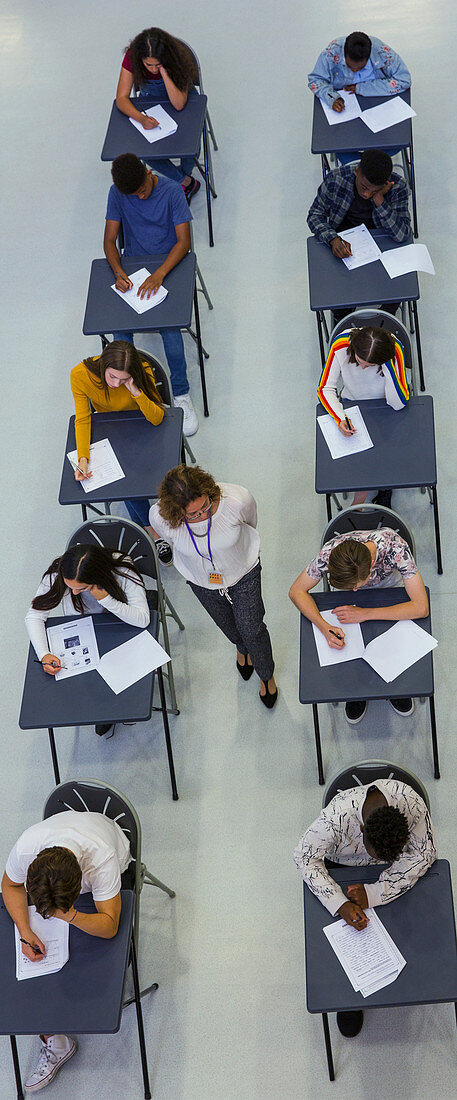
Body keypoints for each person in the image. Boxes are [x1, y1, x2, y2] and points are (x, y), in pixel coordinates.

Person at [294, 777, 436, 1036]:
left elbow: (423, 855)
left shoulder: (410, 802)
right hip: (342, 871)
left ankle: (400, 985)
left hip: (392, 870)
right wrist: (340, 904)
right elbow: (303, 857)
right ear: (360, 828)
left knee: (409, 932)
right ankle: (350, 1001)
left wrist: (376, 892)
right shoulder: (336, 818)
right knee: (348, 943)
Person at [2, 809, 132, 1091]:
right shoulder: (26, 847)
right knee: (28, 965)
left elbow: (109, 925)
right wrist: (26, 930)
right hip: (63, 892)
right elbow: (10, 885)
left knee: (91, 957)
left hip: (102, 869)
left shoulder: (101, 860)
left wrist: (70, 915)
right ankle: (55, 1039)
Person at [150, 465, 278, 707]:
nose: (202, 515)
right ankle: (241, 649)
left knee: (252, 629)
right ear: (177, 512)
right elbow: (171, 541)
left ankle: (266, 675)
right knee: (228, 626)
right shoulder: (160, 516)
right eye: (193, 514)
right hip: (201, 581)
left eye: (205, 506)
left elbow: (251, 523)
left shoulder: (237, 500)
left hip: (244, 573)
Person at [289, 526, 428, 723]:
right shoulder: (331, 552)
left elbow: (421, 607)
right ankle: (357, 692)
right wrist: (323, 626)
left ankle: (395, 690)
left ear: (371, 565)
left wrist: (366, 614)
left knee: (392, 645)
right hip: (347, 603)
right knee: (348, 647)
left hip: (389, 592)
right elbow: (296, 591)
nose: (354, 590)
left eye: (356, 585)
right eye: (350, 586)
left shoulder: (395, 547)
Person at [104, 152, 198, 436]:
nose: (141, 198)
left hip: (169, 264)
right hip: (133, 269)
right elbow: (109, 240)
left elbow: (184, 242)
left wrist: (160, 274)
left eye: (143, 191)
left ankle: (180, 393)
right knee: (120, 336)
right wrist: (118, 271)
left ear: (147, 172)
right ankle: (136, 393)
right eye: (135, 195)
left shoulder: (172, 192)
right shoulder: (117, 192)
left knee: (171, 332)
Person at [25, 545, 150, 735]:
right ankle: (105, 712)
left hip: (120, 626)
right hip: (84, 632)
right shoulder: (56, 575)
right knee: (89, 680)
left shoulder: (122, 570)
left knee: (124, 675)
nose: (74, 593)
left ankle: (119, 707)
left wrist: (107, 599)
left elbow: (142, 620)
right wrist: (44, 653)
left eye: (82, 588)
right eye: (70, 587)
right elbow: (34, 616)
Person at [70, 340, 173, 564]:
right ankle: (152, 530)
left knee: (149, 476)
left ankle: (152, 527)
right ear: (103, 366)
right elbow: (83, 418)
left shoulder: (143, 371)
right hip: (112, 433)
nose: (117, 384)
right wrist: (83, 458)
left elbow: (156, 417)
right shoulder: (80, 374)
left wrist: (135, 390)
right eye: (112, 377)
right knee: (126, 480)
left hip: (143, 428)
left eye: (123, 378)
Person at [307, 149, 410, 322]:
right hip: (344, 240)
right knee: (339, 300)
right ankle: (346, 324)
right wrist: (332, 238)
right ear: (356, 172)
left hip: (381, 242)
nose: (366, 194)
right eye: (364, 187)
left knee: (396, 292)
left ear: (385, 183)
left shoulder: (397, 186)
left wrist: (379, 200)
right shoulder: (336, 179)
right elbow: (314, 215)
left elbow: (402, 234)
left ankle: (380, 327)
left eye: (374, 190)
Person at [318, 325, 409, 506]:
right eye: (360, 360)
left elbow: (398, 403)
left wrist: (388, 365)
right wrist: (340, 418)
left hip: (384, 406)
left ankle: (367, 499)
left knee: (385, 450)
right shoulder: (341, 344)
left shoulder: (395, 350)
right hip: (352, 403)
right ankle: (360, 502)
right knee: (360, 453)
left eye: (370, 365)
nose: (362, 366)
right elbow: (325, 388)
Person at [115, 26, 201, 202]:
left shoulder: (176, 57)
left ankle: (182, 179)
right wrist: (141, 118)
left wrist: (165, 72)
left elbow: (178, 104)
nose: (153, 70)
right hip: (150, 102)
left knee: (189, 147)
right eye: (149, 65)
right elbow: (121, 99)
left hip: (182, 98)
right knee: (142, 151)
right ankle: (185, 182)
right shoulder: (132, 57)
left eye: (157, 64)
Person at [308, 32, 411, 111]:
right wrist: (331, 98)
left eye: (360, 68)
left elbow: (404, 81)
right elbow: (316, 80)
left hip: (375, 97)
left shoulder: (382, 52)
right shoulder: (331, 53)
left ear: (369, 56)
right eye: (349, 67)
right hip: (344, 98)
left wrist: (362, 88)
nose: (354, 71)